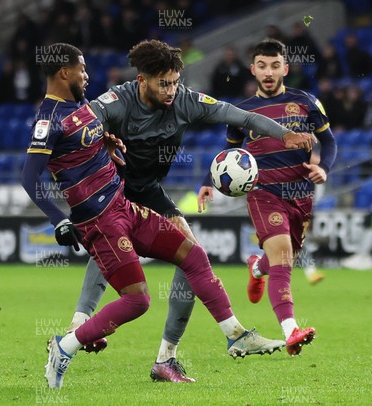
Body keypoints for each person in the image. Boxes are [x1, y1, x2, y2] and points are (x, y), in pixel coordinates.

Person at [21, 43, 289, 389]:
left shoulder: (175, 101)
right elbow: (38, 168)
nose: (171, 90)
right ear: (142, 80)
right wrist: (59, 217)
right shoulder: (97, 105)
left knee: (193, 256)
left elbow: (242, 117)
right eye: (164, 83)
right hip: (103, 210)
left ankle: (225, 339)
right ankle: (74, 334)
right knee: (136, 295)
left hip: (135, 197)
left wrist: (107, 143)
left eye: (175, 82)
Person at [198, 39, 337, 355]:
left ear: (285, 68)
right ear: (253, 69)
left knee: (282, 259)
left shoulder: (306, 102)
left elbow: (329, 143)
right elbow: (230, 152)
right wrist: (208, 181)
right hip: (263, 193)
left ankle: (256, 269)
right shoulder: (243, 111)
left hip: (301, 193)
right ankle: (291, 331)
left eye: (275, 65)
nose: (269, 72)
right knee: (285, 257)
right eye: (262, 65)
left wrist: (324, 169)